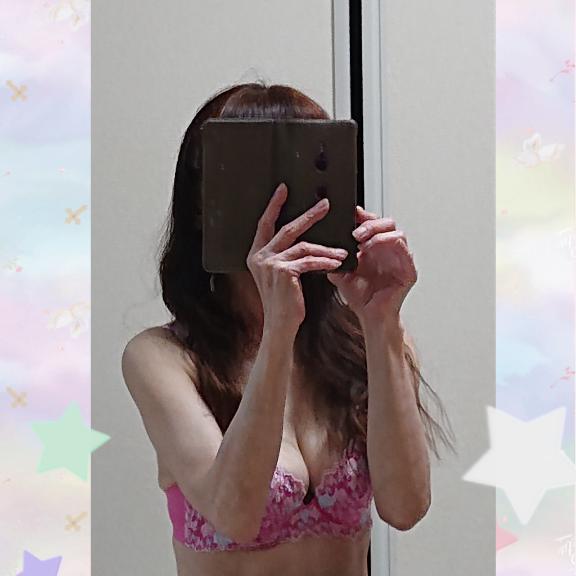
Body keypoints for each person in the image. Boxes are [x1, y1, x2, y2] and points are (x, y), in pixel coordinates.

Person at [121, 81, 456, 576]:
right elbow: (234, 513)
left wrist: (382, 322)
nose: (277, 206)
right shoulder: (163, 357)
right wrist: (279, 331)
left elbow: (406, 508)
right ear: (202, 203)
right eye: (249, 178)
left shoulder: (368, 341)